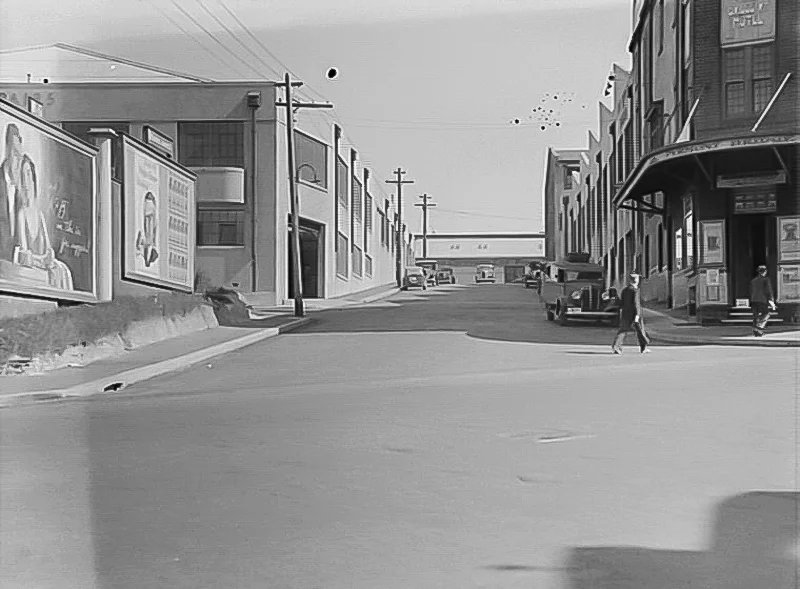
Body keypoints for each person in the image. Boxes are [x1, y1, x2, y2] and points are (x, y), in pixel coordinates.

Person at [612, 273, 651, 355]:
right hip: (634, 312)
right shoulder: (635, 290)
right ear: (636, 280)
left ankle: (616, 347)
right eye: (638, 279)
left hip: (626, 312)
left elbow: (621, 302)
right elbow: (636, 303)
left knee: (623, 330)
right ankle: (643, 347)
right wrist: (637, 315)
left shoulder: (625, 290)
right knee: (640, 330)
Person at [0, 123, 23, 260]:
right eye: (15, 154)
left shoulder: (19, 192)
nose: (18, 162)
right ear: (7, 151)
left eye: (20, 157)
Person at [750, 265, 776, 337]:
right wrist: (771, 301)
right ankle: (758, 328)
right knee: (766, 314)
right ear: (765, 271)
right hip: (762, 300)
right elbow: (769, 291)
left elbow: (751, 291)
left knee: (756, 316)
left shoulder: (753, 280)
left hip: (753, 300)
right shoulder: (766, 280)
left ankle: (757, 331)